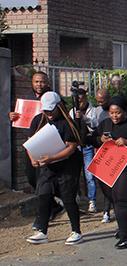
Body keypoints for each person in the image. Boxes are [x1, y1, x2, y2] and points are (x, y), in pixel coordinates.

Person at [25, 92, 84, 245]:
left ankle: (76, 231)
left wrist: (53, 158)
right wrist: (33, 159)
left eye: (51, 110)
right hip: (47, 166)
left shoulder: (67, 123)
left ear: (59, 106)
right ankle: (43, 231)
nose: (49, 113)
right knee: (43, 194)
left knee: (68, 198)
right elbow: (30, 142)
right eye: (46, 110)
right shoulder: (38, 121)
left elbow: (71, 147)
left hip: (67, 166)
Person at [91, 96, 127, 249]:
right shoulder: (105, 124)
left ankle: (124, 237)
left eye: (118, 113)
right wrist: (99, 139)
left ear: (124, 111)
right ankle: (123, 227)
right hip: (110, 167)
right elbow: (91, 140)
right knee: (114, 197)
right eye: (111, 112)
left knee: (122, 199)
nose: (114, 116)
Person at [9, 72, 64, 227]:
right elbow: (19, 118)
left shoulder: (55, 99)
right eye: (36, 81)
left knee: (43, 180)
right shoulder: (27, 99)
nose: (39, 84)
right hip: (31, 142)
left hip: (48, 141)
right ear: (32, 83)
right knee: (32, 178)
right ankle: (54, 206)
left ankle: (43, 217)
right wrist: (12, 116)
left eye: (42, 81)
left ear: (47, 82)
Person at [69, 88, 101, 213]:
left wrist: (83, 118)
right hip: (75, 146)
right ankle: (76, 197)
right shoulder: (72, 111)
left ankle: (92, 200)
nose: (79, 103)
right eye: (76, 101)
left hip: (88, 146)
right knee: (75, 174)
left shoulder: (93, 111)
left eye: (81, 101)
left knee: (90, 175)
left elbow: (95, 124)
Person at [95, 88, 113, 222]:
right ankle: (106, 210)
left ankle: (110, 209)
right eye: (98, 102)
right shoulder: (98, 112)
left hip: (116, 151)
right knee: (105, 181)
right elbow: (95, 134)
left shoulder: (117, 111)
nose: (100, 104)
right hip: (103, 151)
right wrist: (100, 139)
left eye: (103, 101)